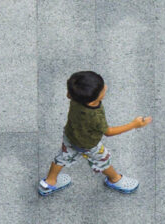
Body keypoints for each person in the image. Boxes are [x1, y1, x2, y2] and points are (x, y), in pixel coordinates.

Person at [38, 70, 149, 198]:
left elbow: (69, 94)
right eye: (102, 90)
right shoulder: (95, 116)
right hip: (89, 145)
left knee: (61, 157)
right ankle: (114, 179)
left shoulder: (74, 98)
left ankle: (49, 183)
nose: (106, 87)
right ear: (92, 102)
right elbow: (108, 132)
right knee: (103, 160)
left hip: (70, 136)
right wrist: (134, 125)